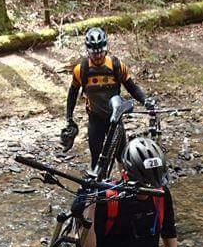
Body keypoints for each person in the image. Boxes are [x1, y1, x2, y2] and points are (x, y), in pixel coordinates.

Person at [61, 26, 151, 169]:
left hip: (115, 119)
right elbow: (72, 94)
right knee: (96, 157)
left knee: (122, 156)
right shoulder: (81, 69)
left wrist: (145, 101)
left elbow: (131, 87)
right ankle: (98, 188)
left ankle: (125, 184)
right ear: (88, 50)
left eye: (100, 52)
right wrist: (69, 119)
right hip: (95, 119)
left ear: (106, 48)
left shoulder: (116, 65)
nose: (97, 57)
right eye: (94, 53)